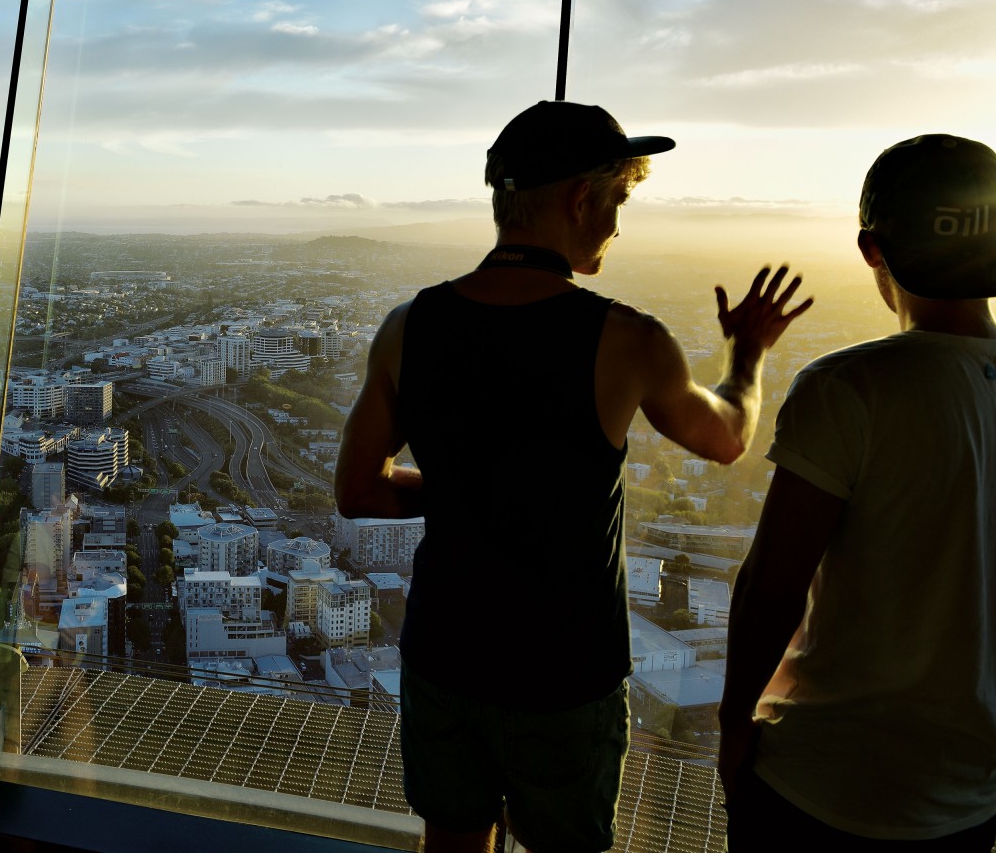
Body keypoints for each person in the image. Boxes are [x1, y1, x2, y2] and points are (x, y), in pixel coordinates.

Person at [335, 100, 812, 853]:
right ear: (580, 200)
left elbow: (358, 490)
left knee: (452, 844)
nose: (618, 225)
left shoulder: (408, 326)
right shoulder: (628, 340)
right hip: (565, 669)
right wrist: (747, 354)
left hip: (445, 652)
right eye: (617, 201)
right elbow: (727, 438)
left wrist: (469, 492)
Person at [718, 134, 996, 850]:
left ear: (873, 250)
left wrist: (732, 729)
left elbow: (772, 587)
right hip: (970, 792)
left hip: (824, 780)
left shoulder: (849, 388)